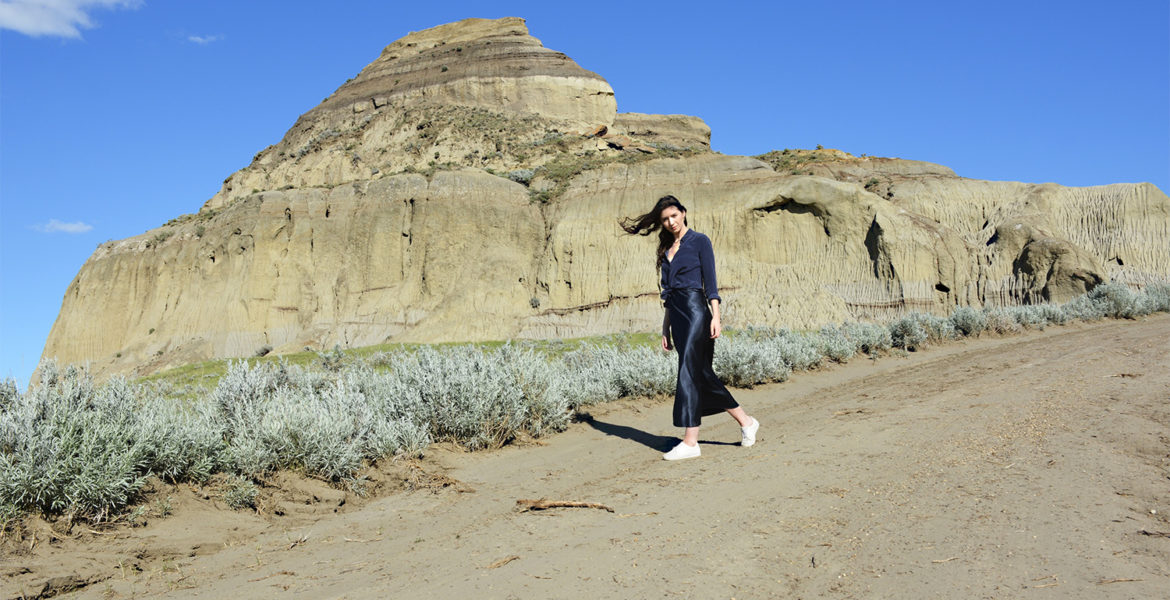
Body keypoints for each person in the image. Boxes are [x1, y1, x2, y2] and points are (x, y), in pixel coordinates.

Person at [620, 195, 759, 460]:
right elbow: (667, 293)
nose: (670, 222)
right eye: (665, 219)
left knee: (687, 370)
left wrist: (716, 316)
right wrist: (665, 327)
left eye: (674, 215)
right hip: (677, 314)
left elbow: (711, 283)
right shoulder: (665, 249)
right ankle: (747, 421)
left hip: (696, 311)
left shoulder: (700, 241)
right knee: (701, 373)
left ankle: (690, 441)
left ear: (683, 213)